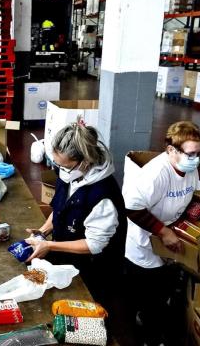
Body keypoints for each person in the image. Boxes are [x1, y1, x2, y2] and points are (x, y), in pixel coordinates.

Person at [24, 119, 127, 309]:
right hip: (67, 257)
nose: (60, 170)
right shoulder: (69, 173)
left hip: (94, 269)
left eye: (64, 165)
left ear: (85, 161)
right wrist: (42, 232)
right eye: (56, 164)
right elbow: (60, 209)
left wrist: (49, 246)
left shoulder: (103, 196)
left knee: (85, 313)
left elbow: (94, 245)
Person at [123, 120, 200, 346]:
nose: (196, 159)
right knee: (145, 295)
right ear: (171, 150)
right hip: (144, 244)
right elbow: (131, 207)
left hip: (169, 242)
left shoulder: (191, 170)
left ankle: (156, 329)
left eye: (199, 153)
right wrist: (163, 231)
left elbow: (189, 199)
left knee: (162, 294)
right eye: (191, 154)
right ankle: (140, 335)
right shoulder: (155, 175)